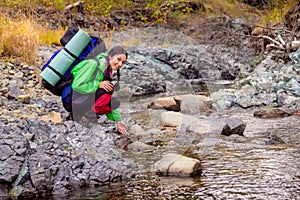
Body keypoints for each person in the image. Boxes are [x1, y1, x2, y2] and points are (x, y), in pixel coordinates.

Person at [64, 45, 128, 135]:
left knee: (113, 99)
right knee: (107, 89)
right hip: (71, 101)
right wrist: (98, 84)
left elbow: (109, 99)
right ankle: (81, 116)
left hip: (81, 99)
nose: (120, 64)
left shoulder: (107, 71)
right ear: (110, 56)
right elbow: (77, 85)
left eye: (123, 62)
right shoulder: (92, 64)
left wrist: (118, 120)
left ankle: (84, 115)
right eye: (118, 59)